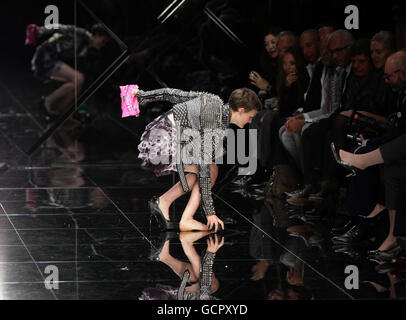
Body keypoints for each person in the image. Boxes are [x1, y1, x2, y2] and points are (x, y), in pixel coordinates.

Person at [134, 87, 262, 232]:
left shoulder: (214, 101)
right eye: (250, 117)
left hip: (159, 135)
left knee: (209, 167)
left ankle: (166, 203)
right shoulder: (216, 122)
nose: (250, 121)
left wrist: (144, 96)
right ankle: (182, 215)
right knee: (209, 169)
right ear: (241, 110)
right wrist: (210, 213)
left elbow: (174, 94)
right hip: (163, 142)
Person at [27, 23, 110, 121]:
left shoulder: (87, 48)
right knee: (79, 79)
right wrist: (40, 30)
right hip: (46, 55)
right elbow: (59, 27)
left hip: (54, 58)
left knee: (78, 83)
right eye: (103, 41)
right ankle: (47, 101)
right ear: (97, 35)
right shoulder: (81, 34)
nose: (102, 45)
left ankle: (61, 112)